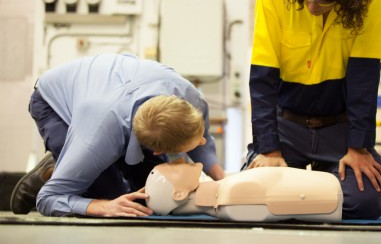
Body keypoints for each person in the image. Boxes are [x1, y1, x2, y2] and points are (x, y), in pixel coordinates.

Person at [243, 0, 381, 219]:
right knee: (253, 199)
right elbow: (263, 82)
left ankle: (303, 199)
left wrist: (358, 147)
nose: (312, 7)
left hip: (339, 127)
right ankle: (312, 197)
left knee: (364, 203)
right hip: (286, 126)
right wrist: (270, 150)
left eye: (323, 2)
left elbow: (364, 77)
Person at [10, 53, 224, 217]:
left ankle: (74, 167)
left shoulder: (190, 100)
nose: (203, 139)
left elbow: (201, 142)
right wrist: (102, 206)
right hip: (55, 104)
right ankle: (61, 168)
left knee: (149, 200)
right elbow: (48, 200)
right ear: (158, 150)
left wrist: (222, 179)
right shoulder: (95, 140)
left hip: (108, 93)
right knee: (114, 201)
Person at [145, 162, 343, 222]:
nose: (178, 161)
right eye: (172, 168)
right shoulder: (231, 197)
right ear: (178, 195)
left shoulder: (227, 194)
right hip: (333, 194)